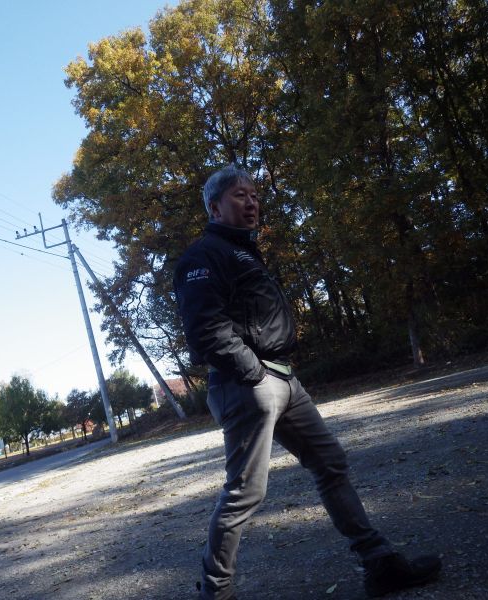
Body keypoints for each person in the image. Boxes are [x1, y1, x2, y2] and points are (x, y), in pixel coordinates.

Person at [173, 164, 442, 600]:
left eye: (255, 195)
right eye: (240, 195)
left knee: (330, 463)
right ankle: (215, 593)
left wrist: (269, 372)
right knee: (245, 492)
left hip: (281, 378)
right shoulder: (203, 256)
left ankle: (379, 563)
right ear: (215, 207)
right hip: (249, 384)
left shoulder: (243, 252)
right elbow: (205, 330)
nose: (252, 202)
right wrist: (253, 372)